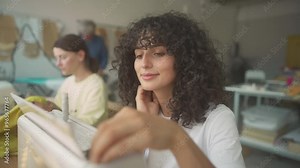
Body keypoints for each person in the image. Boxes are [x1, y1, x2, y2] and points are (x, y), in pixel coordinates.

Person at [89, 12, 245, 168]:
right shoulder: (145, 110)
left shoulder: (218, 119)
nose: (144, 63)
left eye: (158, 53)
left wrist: (175, 137)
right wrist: (143, 123)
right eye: (138, 55)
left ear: (185, 59)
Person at [53, 34, 108, 126]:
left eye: (63, 57)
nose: (58, 64)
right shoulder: (68, 82)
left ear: (80, 55)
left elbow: (87, 124)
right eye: (56, 58)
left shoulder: (96, 85)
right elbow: (57, 109)